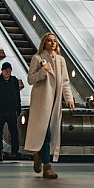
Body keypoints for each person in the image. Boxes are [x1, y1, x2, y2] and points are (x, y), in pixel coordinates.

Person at [26, 33, 74, 179]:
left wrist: (69, 99)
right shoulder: (38, 58)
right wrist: (43, 71)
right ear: (44, 43)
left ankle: (38, 154)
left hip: (55, 101)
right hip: (41, 102)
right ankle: (47, 166)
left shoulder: (61, 60)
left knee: (50, 133)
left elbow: (65, 81)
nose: (53, 43)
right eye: (49, 41)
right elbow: (30, 79)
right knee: (45, 133)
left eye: (54, 41)